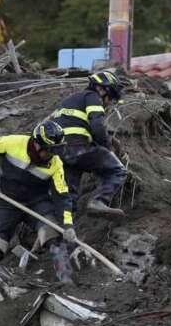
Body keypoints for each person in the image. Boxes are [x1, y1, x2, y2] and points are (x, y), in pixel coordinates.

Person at [0, 121, 77, 283]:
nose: (52, 155)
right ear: (37, 145)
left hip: (37, 203)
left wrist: (67, 225)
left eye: (55, 151)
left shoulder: (56, 164)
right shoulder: (13, 143)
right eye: (49, 150)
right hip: (8, 200)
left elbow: (62, 196)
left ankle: (66, 281)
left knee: (55, 240)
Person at [49, 71, 128, 218]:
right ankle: (98, 201)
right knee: (118, 170)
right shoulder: (92, 97)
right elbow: (97, 125)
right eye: (111, 97)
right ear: (102, 89)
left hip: (60, 153)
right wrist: (107, 149)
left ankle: (62, 236)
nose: (109, 102)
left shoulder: (69, 101)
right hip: (77, 147)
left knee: (69, 198)